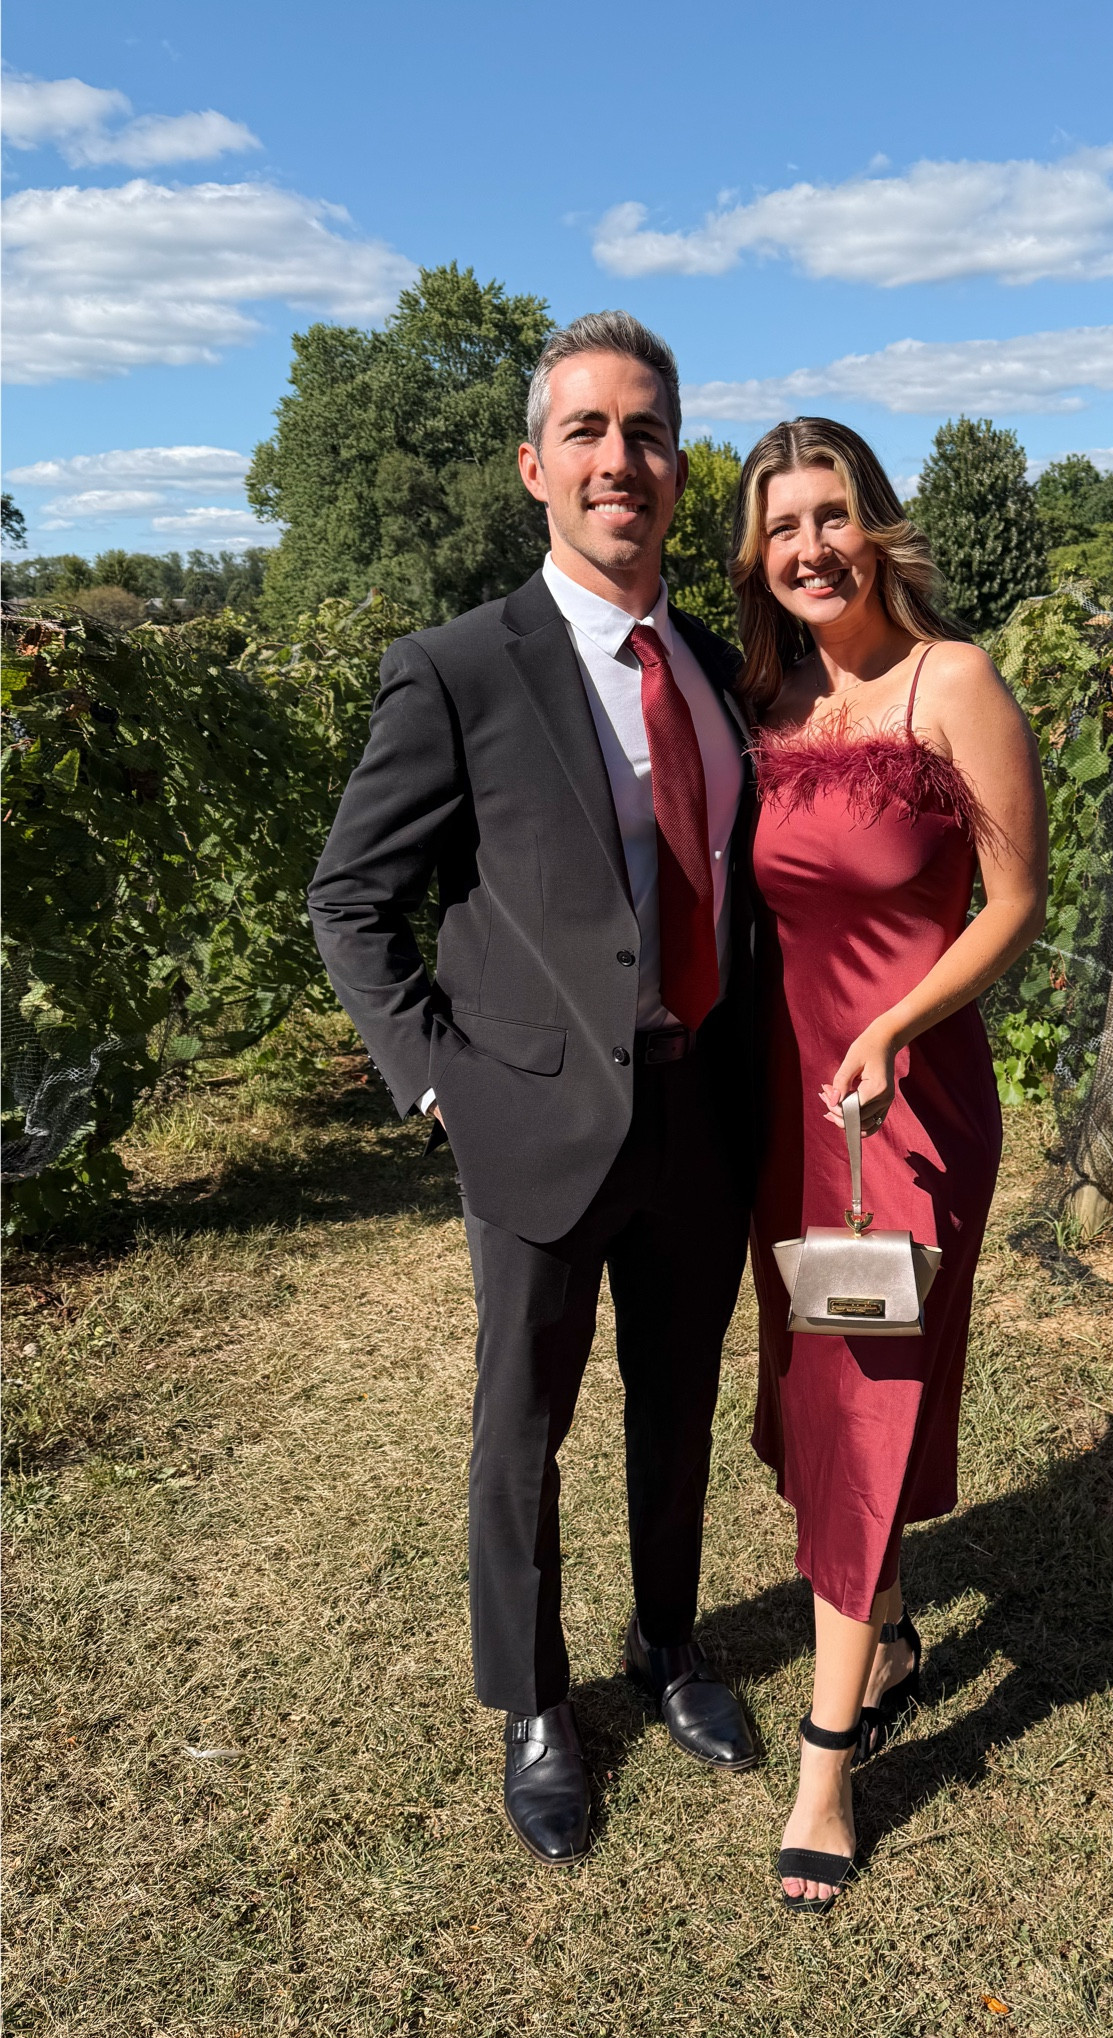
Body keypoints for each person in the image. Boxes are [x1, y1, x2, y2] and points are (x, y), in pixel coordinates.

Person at [308, 311, 760, 1868]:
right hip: (535, 1118)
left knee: (679, 1402)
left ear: (678, 473)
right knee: (523, 1428)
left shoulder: (707, 665)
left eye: (643, 433)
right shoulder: (456, 672)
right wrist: (438, 1085)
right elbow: (348, 901)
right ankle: (534, 1703)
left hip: (700, 1112)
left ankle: (668, 1645)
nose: (616, 459)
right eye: (586, 431)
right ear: (534, 465)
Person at [734, 419, 1049, 1910]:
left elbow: (1016, 902)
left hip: (900, 1109)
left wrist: (898, 1025)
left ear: (879, 525)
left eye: (833, 515)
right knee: (820, 1384)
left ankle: (825, 1763)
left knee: (862, 1390)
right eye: (782, 525)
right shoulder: (774, 695)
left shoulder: (953, 683)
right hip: (787, 1107)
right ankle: (898, 1619)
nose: (810, 547)